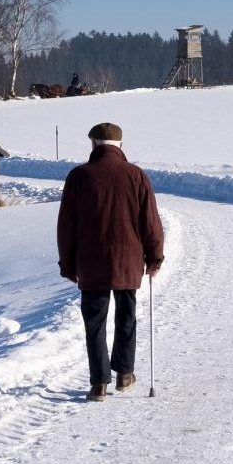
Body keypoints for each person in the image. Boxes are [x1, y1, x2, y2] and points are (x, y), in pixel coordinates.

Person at [56, 122, 164, 401]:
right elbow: (150, 222)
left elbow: (67, 225)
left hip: (91, 263)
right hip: (128, 262)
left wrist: (67, 264)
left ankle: (98, 384)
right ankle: (125, 374)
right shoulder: (136, 176)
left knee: (95, 322)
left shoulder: (79, 176)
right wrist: (154, 256)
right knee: (126, 317)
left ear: (92, 144)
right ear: (121, 146)